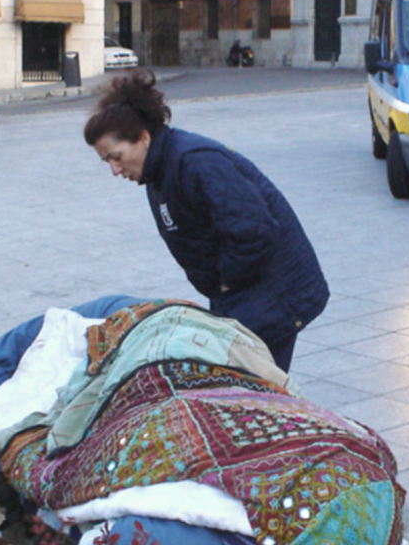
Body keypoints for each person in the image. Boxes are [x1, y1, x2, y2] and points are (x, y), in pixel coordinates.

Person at [83, 70, 330, 372]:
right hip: (245, 295)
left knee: (254, 388)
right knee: (245, 385)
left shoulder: (196, 161)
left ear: (143, 138)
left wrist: (225, 283)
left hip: (276, 295)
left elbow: (254, 230)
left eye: (116, 156)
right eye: (107, 161)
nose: (115, 170)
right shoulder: (159, 171)